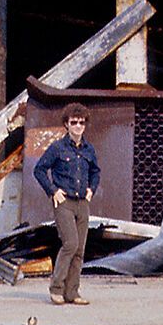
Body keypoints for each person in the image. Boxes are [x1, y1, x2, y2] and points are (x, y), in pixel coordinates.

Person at [32, 103, 100, 306]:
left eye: (81, 122)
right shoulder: (57, 148)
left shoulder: (89, 149)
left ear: (85, 125)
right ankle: (56, 289)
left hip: (82, 203)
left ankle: (73, 292)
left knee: (80, 250)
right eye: (74, 123)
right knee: (70, 244)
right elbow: (40, 170)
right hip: (65, 203)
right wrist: (53, 191)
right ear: (66, 124)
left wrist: (91, 190)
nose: (78, 126)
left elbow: (95, 171)